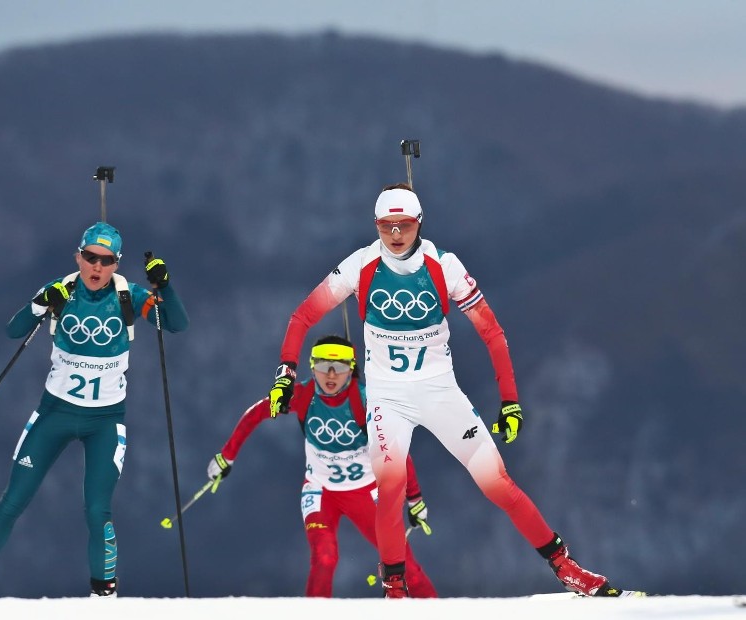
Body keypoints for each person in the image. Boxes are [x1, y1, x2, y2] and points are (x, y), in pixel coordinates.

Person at [268, 183, 644, 599]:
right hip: (388, 399)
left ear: (419, 223)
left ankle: (566, 567)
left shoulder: (444, 265)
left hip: (439, 393)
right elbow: (303, 316)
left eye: (405, 225)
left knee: (497, 483)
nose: (395, 235)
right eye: (387, 226)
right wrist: (285, 373)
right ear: (375, 225)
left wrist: (510, 401)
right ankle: (395, 589)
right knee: (389, 487)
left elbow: (492, 333)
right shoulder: (360, 265)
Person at [0, 221, 189, 599]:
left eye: (106, 260)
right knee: (13, 499)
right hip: (54, 413)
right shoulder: (61, 290)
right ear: (79, 256)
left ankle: (103, 595)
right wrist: (40, 304)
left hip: (105, 421)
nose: (97, 267)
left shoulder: (129, 296)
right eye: (90, 257)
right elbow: (13, 330)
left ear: (116, 264)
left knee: (97, 510)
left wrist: (164, 285)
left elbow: (177, 324)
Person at [207, 334, 437, 598]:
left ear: (351, 370)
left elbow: (398, 452)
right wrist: (227, 456)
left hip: (366, 492)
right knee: (325, 557)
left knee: (404, 565)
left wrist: (414, 499)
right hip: (320, 491)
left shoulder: (367, 402)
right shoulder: (303, 395)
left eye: (338, 367)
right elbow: (257, 413)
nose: (330, 375)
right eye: (321, 366)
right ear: (311, 366)